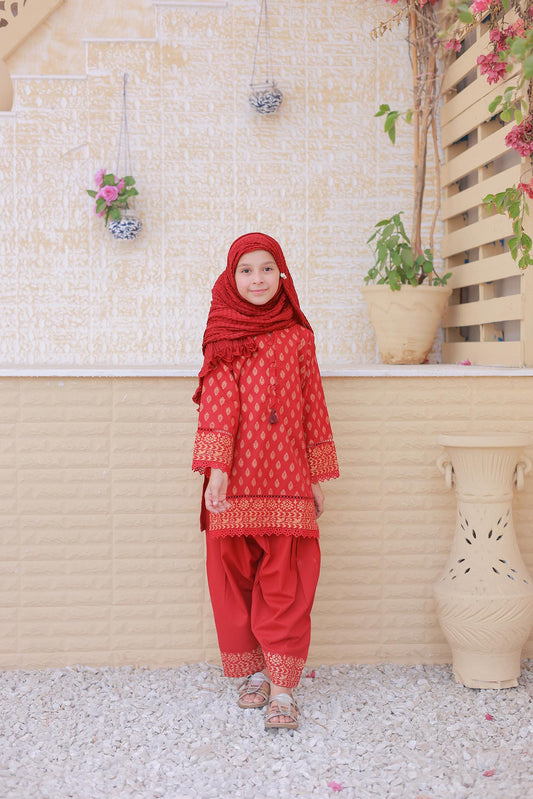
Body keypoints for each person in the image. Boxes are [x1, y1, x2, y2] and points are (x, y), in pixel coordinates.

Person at [192, 232, 339, 730]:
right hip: (232, 482)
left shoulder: (298, 335)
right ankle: (255, 672)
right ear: (231, 277)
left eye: (267, 268)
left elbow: (313, 404)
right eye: (246, 270)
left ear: (282, 274)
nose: (257, 279)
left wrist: (315, 476)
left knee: (285, 582)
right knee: (235, 578)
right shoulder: (223, 332)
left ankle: (283, 688)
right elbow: (218, 401)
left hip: (287, 477)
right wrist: (216, 469)